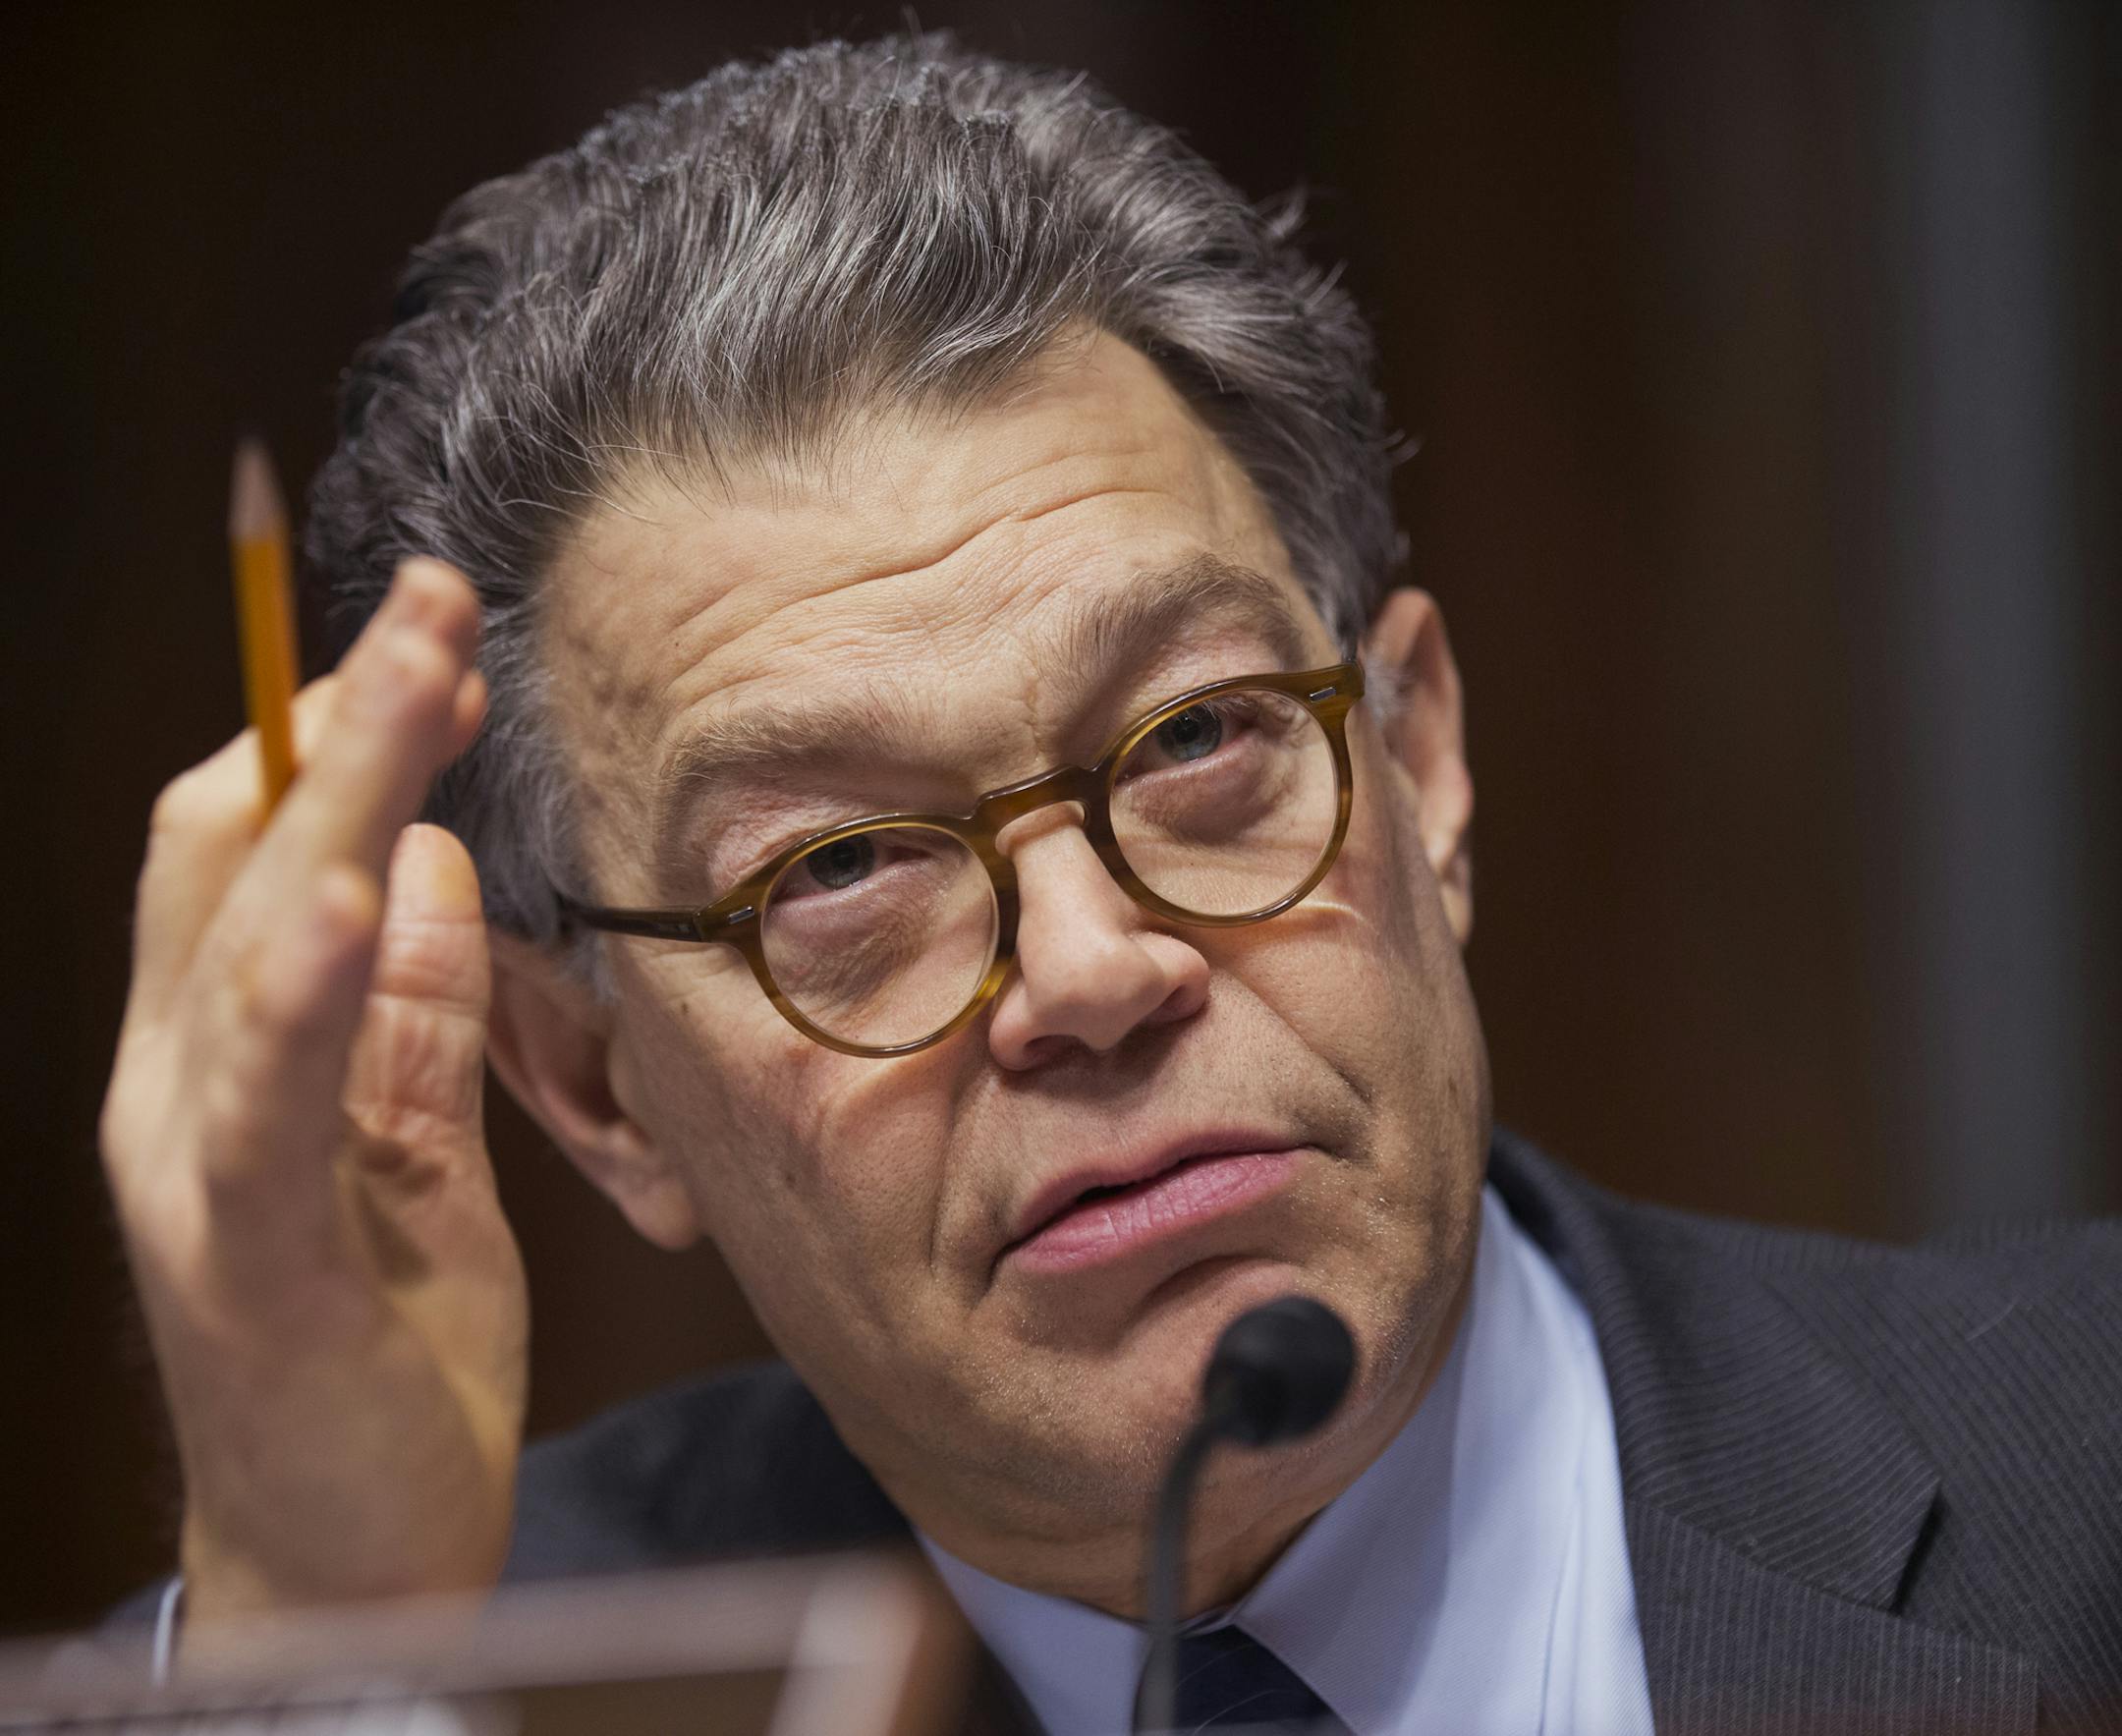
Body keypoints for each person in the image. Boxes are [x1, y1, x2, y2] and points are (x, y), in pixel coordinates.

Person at [98, 32, 2119, 1735]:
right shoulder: (411, 1673)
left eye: (1190, 741)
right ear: (596, 1088)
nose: (1091, 965)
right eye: (844, 862)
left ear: (1414, 765)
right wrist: (325, 1618)